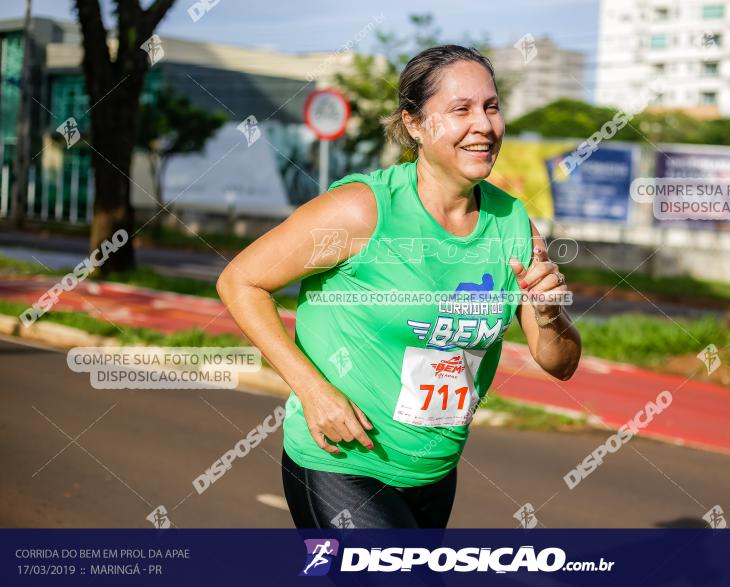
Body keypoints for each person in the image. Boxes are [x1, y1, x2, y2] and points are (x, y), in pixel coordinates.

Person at [217, 45, 582, 528]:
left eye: (491, 107)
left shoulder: (511, 222)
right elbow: (240, 280)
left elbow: (560, 364)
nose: (484, 125)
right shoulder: (362, 209)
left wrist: (551, 313)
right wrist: (312, 390)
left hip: (433, 474)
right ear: (414, 124)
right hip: (340, 463)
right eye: (460, 110)